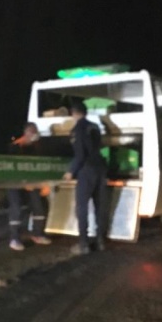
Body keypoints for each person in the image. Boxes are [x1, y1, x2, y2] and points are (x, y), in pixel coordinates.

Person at [63, 101, 108, 255]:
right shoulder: (94, 127)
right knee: (99, 206)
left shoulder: (77, 129)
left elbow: (80, 154)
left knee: (82, 207)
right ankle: (100, 241)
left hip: (86, 171)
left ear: (74, 113)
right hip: (100, 168)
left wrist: (71, 171)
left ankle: (84, 244)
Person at [7, 122, 52, 251]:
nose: (35, 134)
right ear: (26, 132)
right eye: (32, 131)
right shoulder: (15, 146)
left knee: (40, 206)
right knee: (17, 208)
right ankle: (14, 238)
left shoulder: (37, 146)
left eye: (36, 131)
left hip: (32, 183)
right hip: (15, 182)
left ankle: (38, 234)